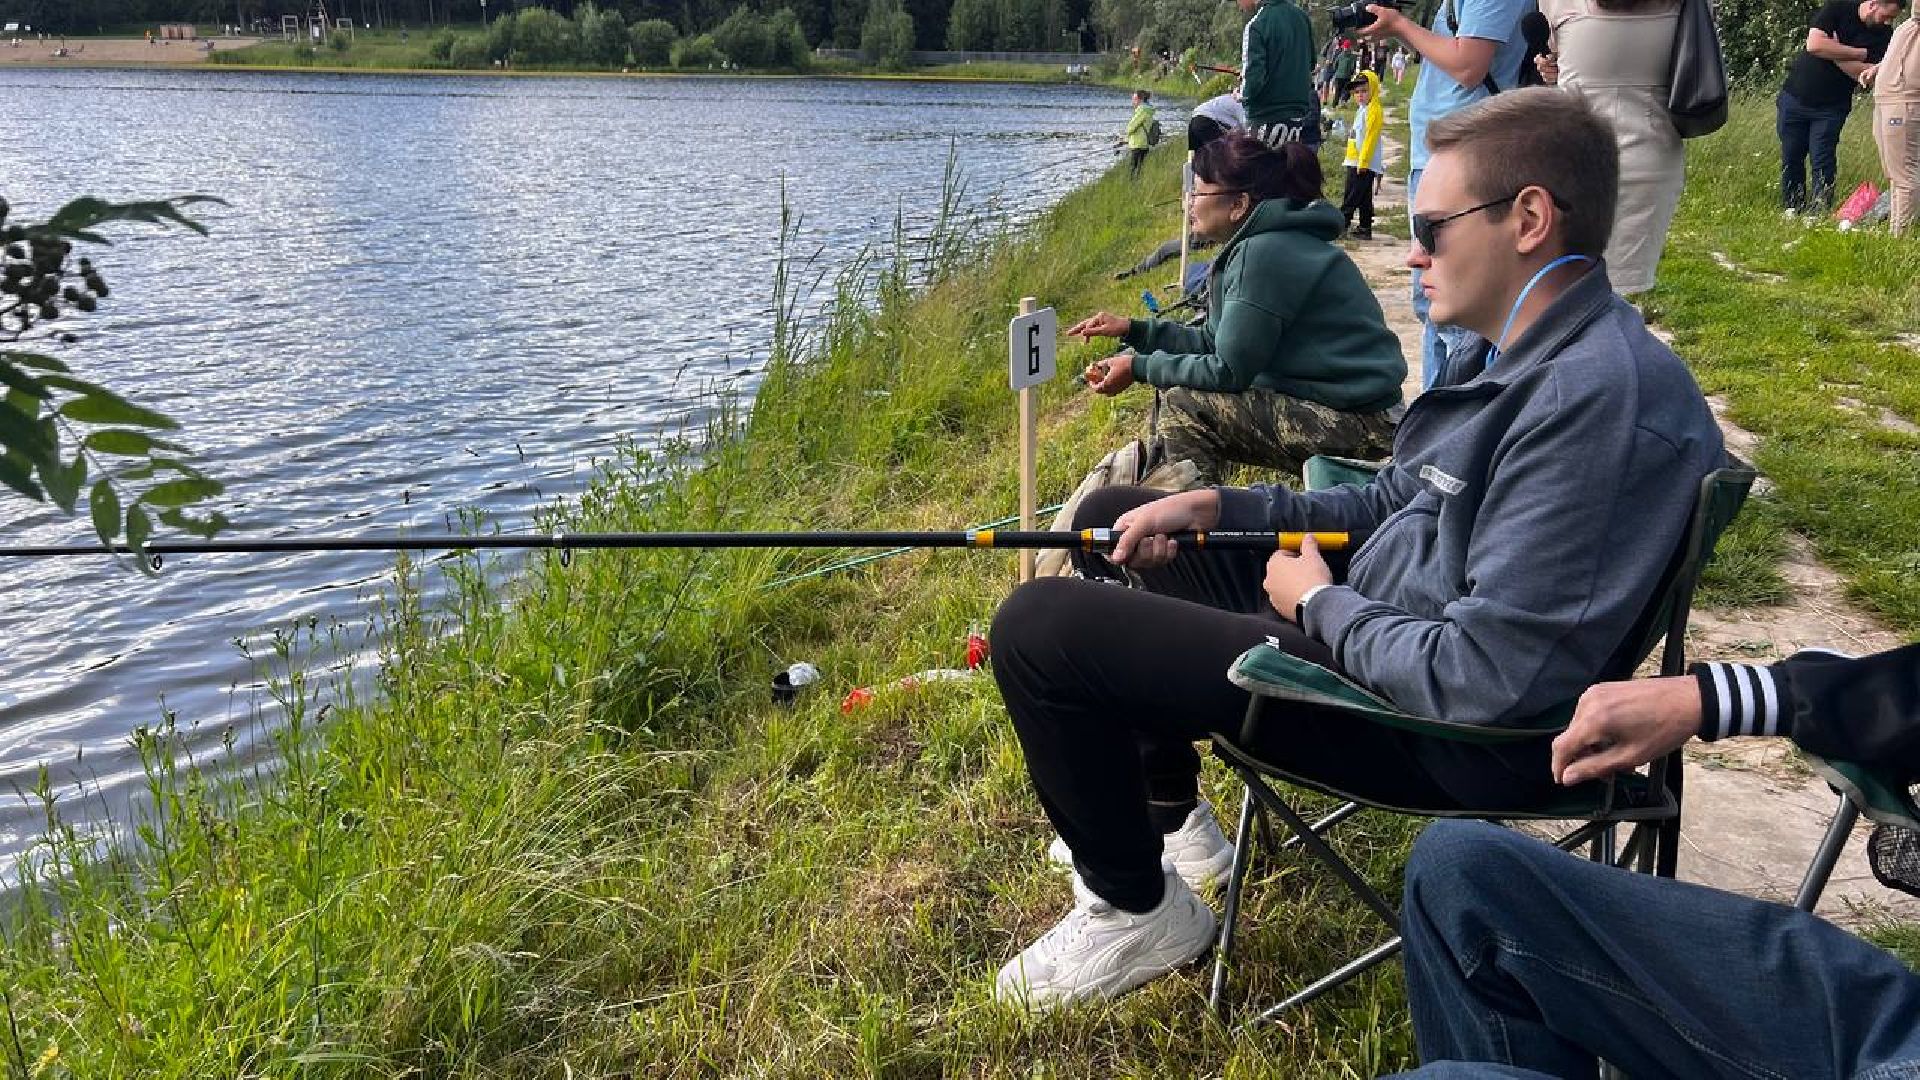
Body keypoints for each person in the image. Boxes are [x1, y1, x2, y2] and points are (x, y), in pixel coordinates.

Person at [989, 89, 1725, 1010]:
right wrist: (1220, 504)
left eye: (1432, 228)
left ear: (1530, 219)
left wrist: (1316, 604)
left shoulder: (1593, 405)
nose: (1412, 253)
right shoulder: (1525, 351)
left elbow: (1484, 679)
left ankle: (1135, 908)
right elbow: (1391, 499)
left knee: (1039, 627)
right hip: (1374, 624)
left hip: (1432, 726)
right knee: (1112, 516)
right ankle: (1172, 822)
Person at [1389, 643, 1920, 1078]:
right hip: (1889, 1024)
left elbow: (1470, 661)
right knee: (1460, 870)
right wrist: (1716, 696)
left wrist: (1340, 610)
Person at [1067, 132, 1404, 486]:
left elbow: (1228, 370)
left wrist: (1138, 367)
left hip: (1366, 425)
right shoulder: (1265, 244)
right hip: (1357, 411)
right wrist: (1133, 330)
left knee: (1184, 405)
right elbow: (1213, 342)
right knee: (1173, 386)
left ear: (1238, 205)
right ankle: (1164, 497)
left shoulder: (1262, 254)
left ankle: (1193, 516)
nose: (1189, 202)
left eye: (1198, 192)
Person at [1360, 0, 1538, 388]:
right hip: (1442, 151)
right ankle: (1435, 413)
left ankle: (1466, 416)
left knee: (1457, 307)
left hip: (1464, 156)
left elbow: (1468, 66)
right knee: (1434, 306)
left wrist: (1401, 26)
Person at [1534, 0, 1686, 294]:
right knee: (1618, 295)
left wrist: (1558, 68)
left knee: (1559, 291)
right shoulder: (1690, 6)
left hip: (1573, 160)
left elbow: (1575, 57)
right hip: (1650, 159)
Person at [1778, 0, 1905, 214]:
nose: (1888, 22)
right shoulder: (1837, 9)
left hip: (1832, 107)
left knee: (1822, 159)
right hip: (1794, 97)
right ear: (1874, 4)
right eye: (1887, 16)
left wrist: (1834, 53)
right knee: (1791, 156)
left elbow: (1866, 76)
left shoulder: (1884, 37)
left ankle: (1818, 212)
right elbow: (1814, 45)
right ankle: (1792, 206)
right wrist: (1859, 53)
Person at [1237, 0, 1319, 148]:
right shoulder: (1302, 17)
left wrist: (1240, 94)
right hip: (1297, 119)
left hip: (1264, 118)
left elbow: (1253, 79)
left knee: (1260, 163)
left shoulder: (1256, 24)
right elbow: (1311, 64)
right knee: (1287, 162)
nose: (1238, 4)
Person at [1868, 12, 1919, 233]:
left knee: (1905, 175)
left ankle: (1901, 238)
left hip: (1904, 101)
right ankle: (1896, 232)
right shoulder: (1910, 26)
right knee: (1894, 174)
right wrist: (1879, 68)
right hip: (1887, 99)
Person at [1341, 71, 1387, 239]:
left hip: (1362, 163)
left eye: (1364, 91)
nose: (1360, 95)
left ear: (1373, 90)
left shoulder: (1373, 110)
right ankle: (1365, 227)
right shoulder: (1362, 109)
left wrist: (1364, 162)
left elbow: (1370, 139)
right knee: (1364, 197)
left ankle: (1341, 225)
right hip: (1355, 160)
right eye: (1357, 92)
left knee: (1351, 195)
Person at [1125, 90, 1156, 178]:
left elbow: (1131, 127)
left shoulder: (1142, 110)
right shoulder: (1148, 110)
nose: (1133, 102)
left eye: (1135, 99)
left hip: (1137, 144)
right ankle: (1139, 182)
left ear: (1141, 100)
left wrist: (1124, 136)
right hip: (1144, 143)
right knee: (1140, 168)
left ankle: (1132, 183)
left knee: (1133, 169)